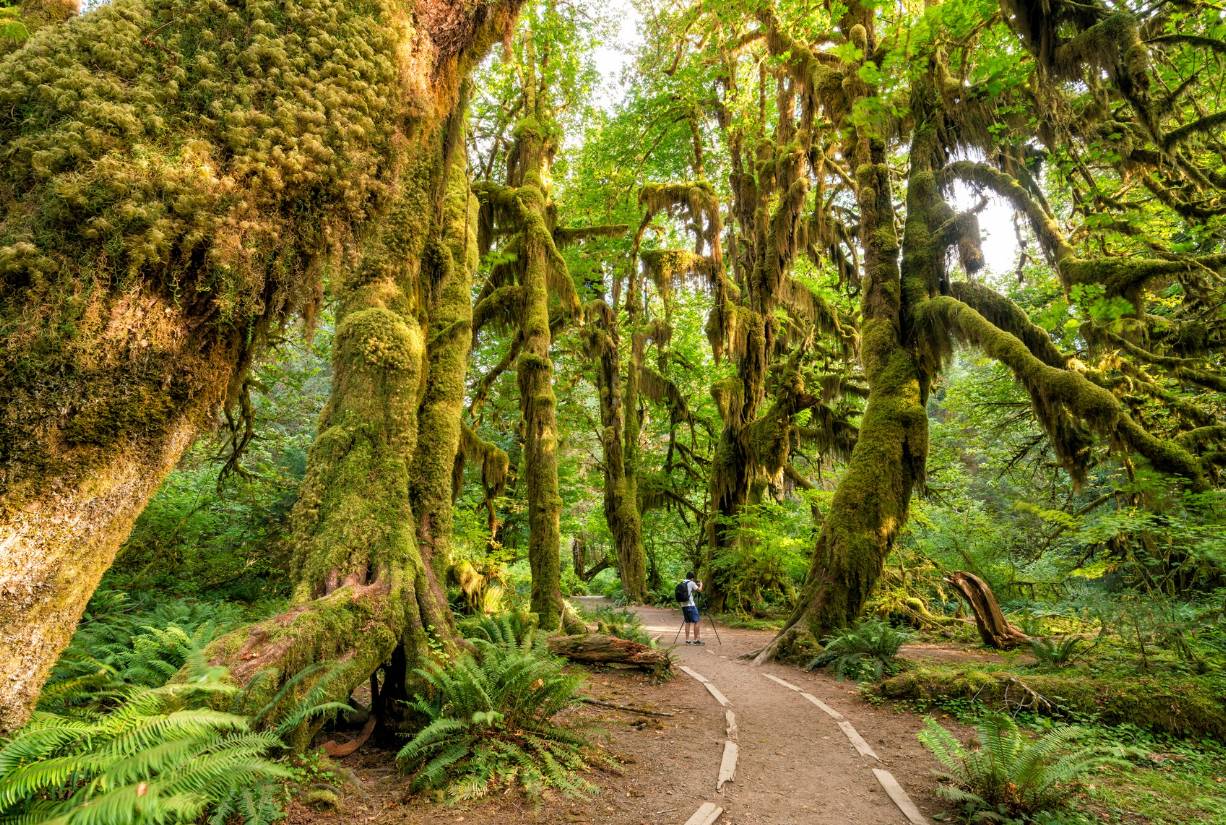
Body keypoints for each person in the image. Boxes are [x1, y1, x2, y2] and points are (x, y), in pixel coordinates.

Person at [681, 571, 704, 645]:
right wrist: (701, 585)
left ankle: (687, 640)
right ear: (692, 578)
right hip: (690, 605)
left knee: (687, 622)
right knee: (697, 621)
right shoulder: (691, 583)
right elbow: (699, 590)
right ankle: (695, 640)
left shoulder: (682, 582)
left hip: (683, 605)